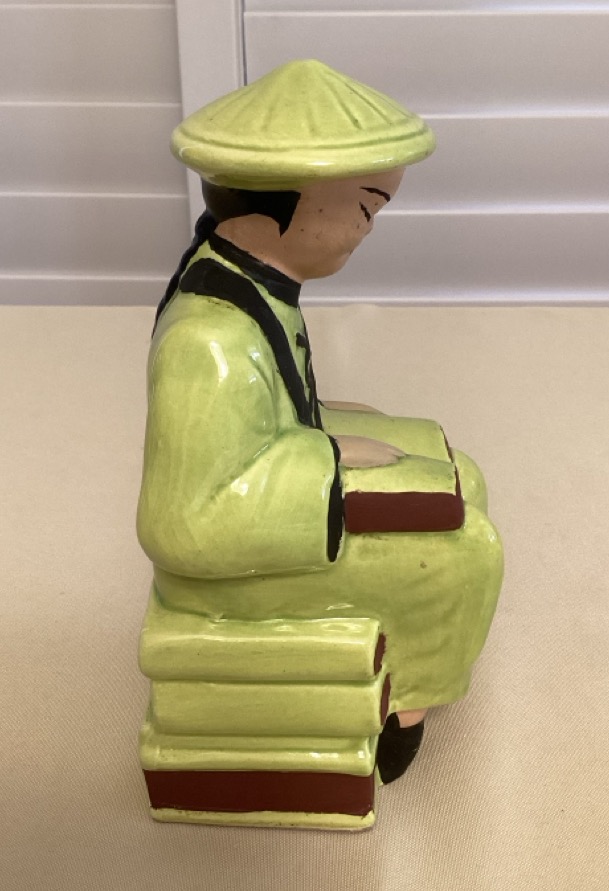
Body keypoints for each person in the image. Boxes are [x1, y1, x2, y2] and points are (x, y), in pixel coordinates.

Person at [137, 60, 503, 784]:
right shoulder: (207, 341)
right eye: (365, 209)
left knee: (460, 470)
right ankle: (405, 703)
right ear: (284, 205)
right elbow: (181, 522)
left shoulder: (247, 287)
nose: (367, 231)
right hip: (231, 576)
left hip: (286, 472)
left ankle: (408, 667)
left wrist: (317, 421)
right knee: (466, 545)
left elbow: (258, 418)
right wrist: (329, 466)